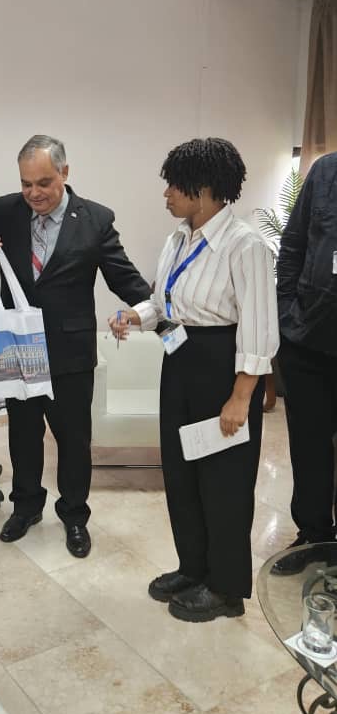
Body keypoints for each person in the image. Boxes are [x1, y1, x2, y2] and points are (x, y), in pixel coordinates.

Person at [110, 138, 278, 622]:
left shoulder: (245, 245)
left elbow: (258, 328)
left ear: (202, 189)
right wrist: (136, 316)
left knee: (223, 482)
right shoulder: (177, 240)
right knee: (182, 475)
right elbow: (165, 303)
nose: (166, 194)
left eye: (174, 186)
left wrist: (241, 397)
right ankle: (194, 567)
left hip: (222, 367)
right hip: (179, 362)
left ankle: (225, 589)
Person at [0, 135, 151, 558]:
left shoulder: (95, 219)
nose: (34, 193)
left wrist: (157, 311)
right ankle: (26, 507)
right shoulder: (5, 210)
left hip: (70, 351)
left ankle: (74, 515)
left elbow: (124, 277)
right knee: (23, 434)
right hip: (17, 345)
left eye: (44, 183)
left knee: (74, 440)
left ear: (65, 173)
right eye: (26, 184)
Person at [271, 151, 337, 576]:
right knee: (309, 448)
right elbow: (293, 245)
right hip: (308, 342)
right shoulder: (326, 171)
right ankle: (314, 535)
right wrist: (285, 315)